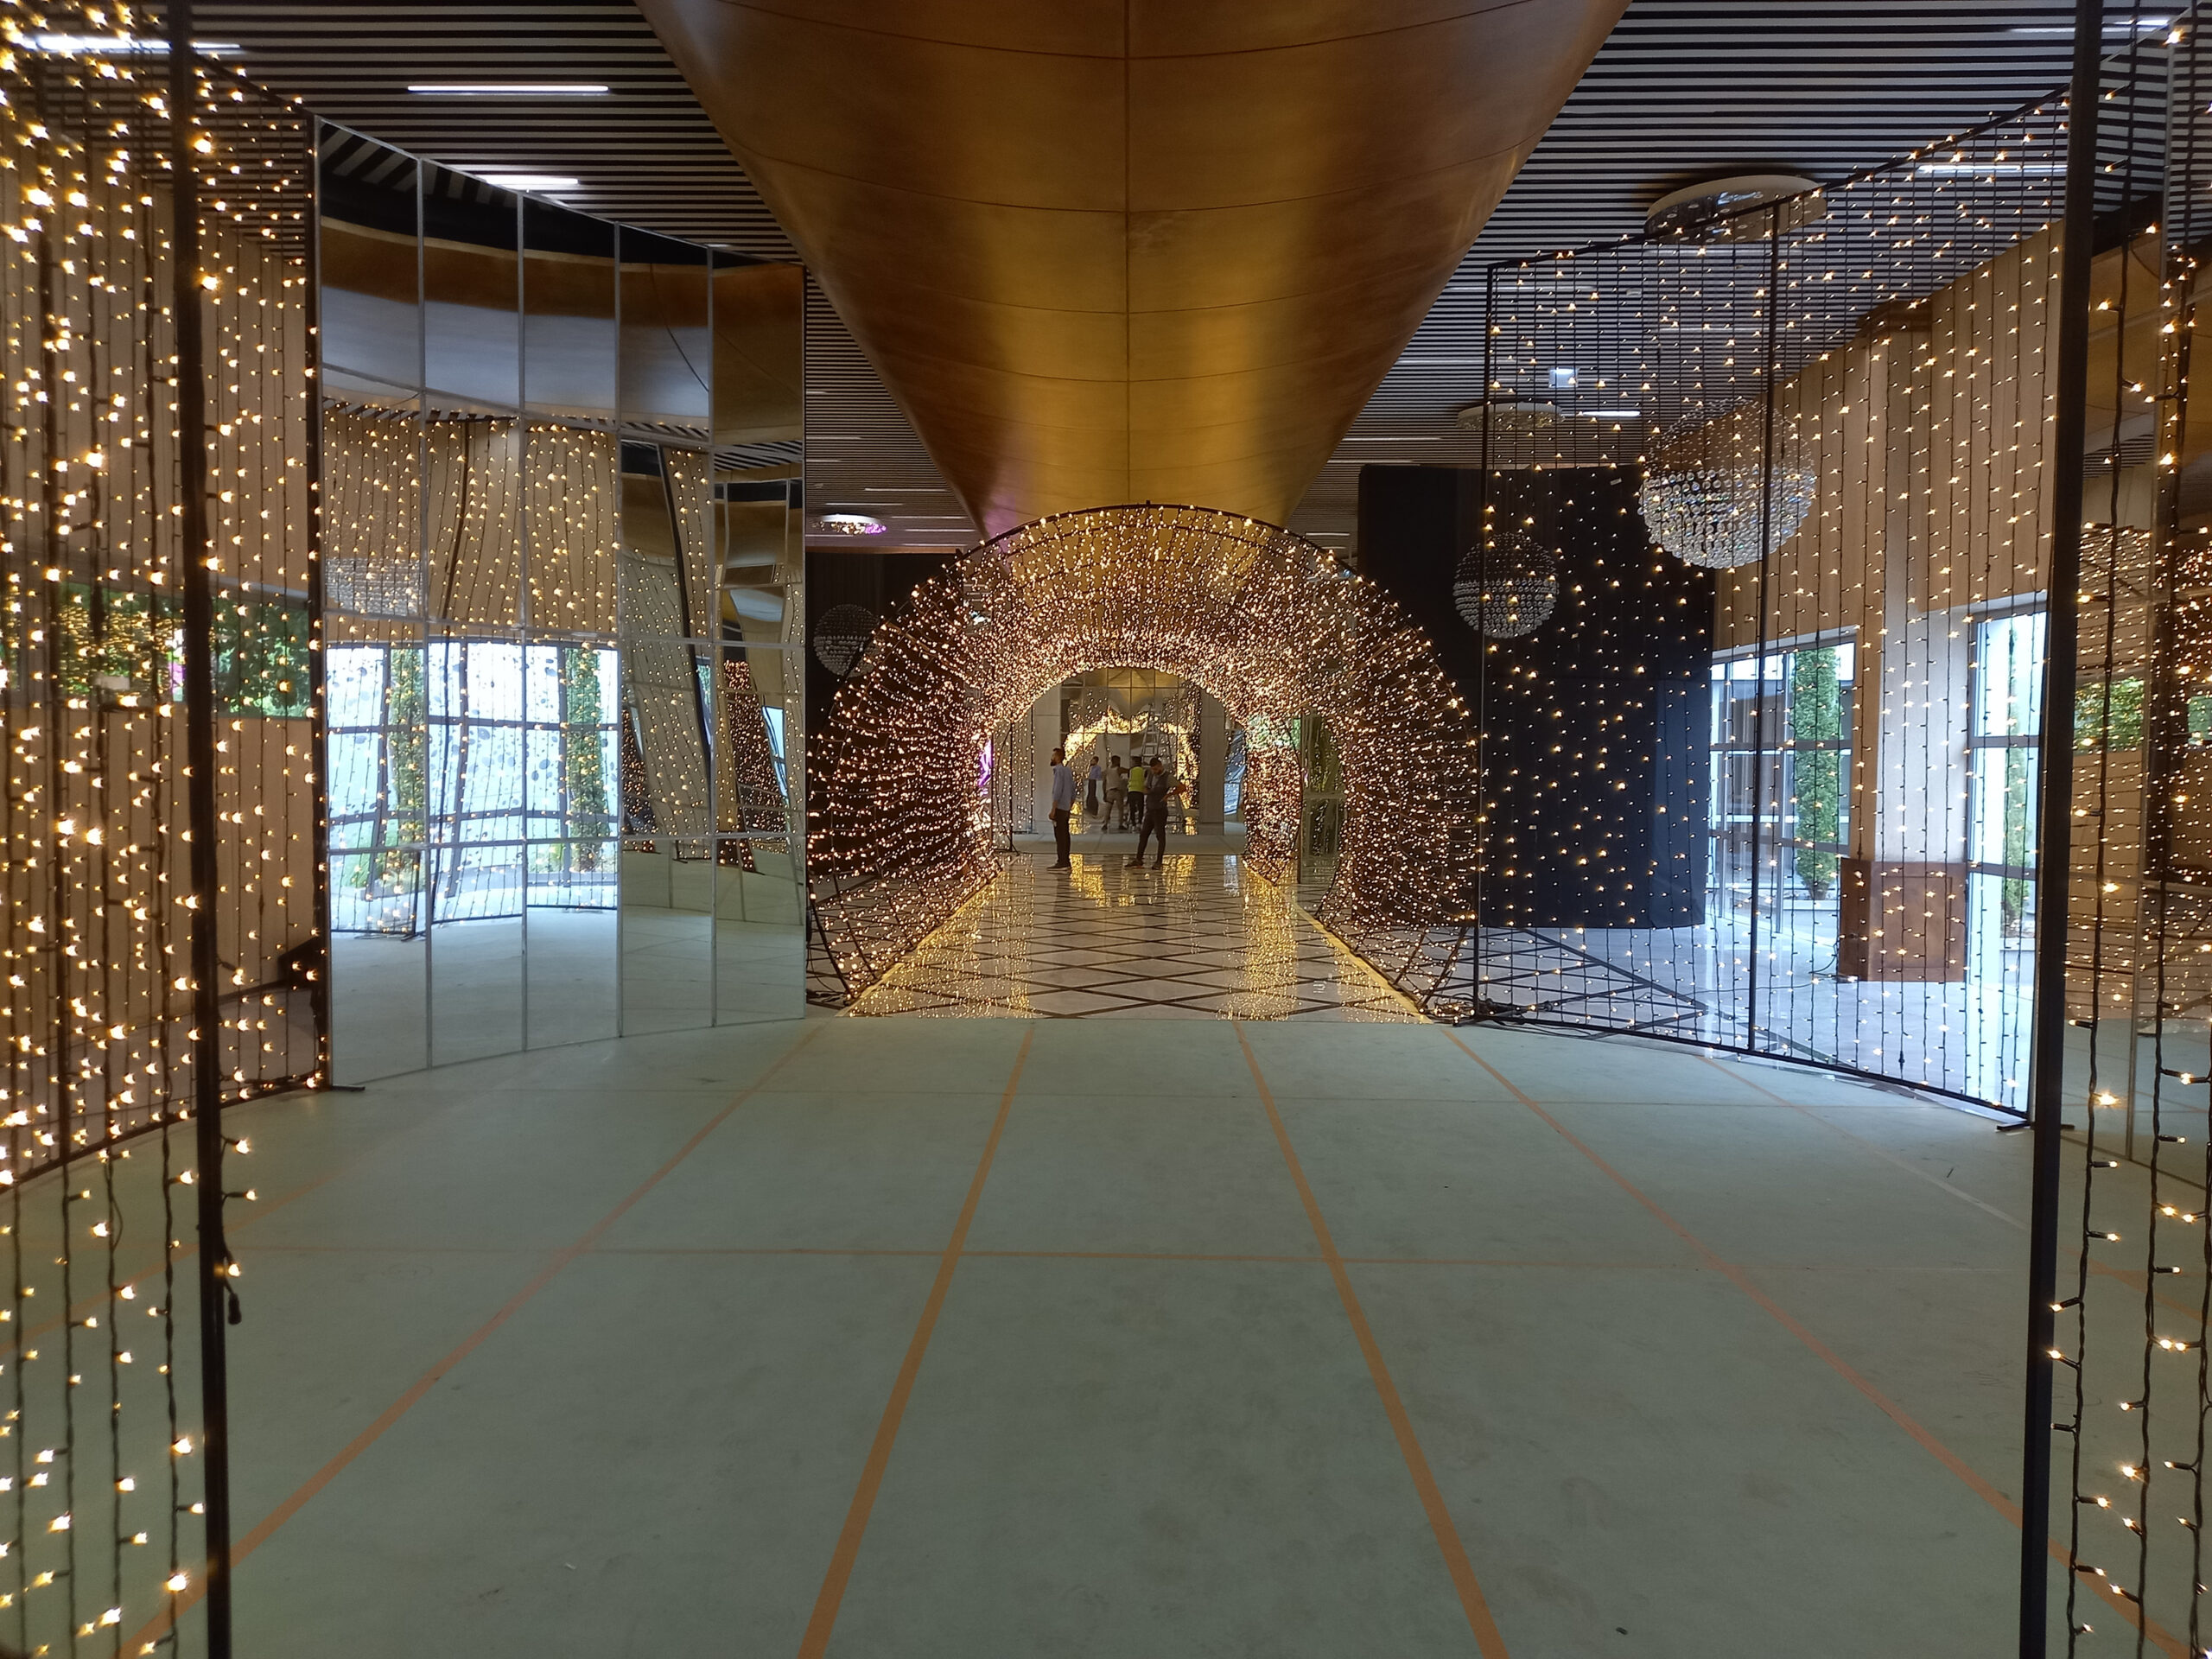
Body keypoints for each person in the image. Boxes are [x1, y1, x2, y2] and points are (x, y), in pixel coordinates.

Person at [1129, 755, 1185, 869]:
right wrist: (1146, 790)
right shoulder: (1151, 775)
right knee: (1144, 834)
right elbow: (1145, 787)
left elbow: (1182, 787)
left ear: (1160, 766)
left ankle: (1159, 861)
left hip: (1160, 810)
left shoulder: (1167, 777)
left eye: (1156, 769)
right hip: (1150, 809)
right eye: (1152, 769)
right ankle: (1139, 859)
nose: (1154, 771)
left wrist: (1169, 795)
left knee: (1160, 835)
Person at [1048, 746, 1076, 868]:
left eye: (1053, 756)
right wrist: (1070, 804)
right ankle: (1066, 860)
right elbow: (1073, 790)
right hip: (1066, 808)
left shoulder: (1059, 771)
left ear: (1058, 757)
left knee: (1059, 835)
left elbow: (1057, 791)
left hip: (1059, 808)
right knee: (1065, 834)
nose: (1051, 758)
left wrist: (1053, 809)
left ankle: (1062, 861)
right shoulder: (1068, 771)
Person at [1124, 756, 1147, 830]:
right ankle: (1139, 823)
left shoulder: (1130, 771)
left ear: (1135, 762)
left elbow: (1129, 779)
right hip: (1140, 791)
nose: (1131, 763)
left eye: (1132, 762)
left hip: (1131, 790)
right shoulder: (1144, 771)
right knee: (1140, 808)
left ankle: (1133, 824)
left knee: (1132, 808)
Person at [1105, 758, 1127, 833]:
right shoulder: (1118, 769)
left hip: (1109, 791)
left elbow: (1104, 782)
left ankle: (1105, 824)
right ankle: (1120, 824)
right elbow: (1128, 770)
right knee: (1120, 809)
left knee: (1108, 809)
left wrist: (1104, 793)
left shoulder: (1107, 770)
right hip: (1117, 791)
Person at [1085, 753, 1103, 820]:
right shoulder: (1090, 767)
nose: (1092, 761)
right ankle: (1088, 806)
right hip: (1090, 780)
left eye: (1093, 761)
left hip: (1094, 781)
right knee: (1090, 793)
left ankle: (1093, 807)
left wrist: (1096, 778)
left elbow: (1099, 775)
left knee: (1092, 793)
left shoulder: (1098, 768)